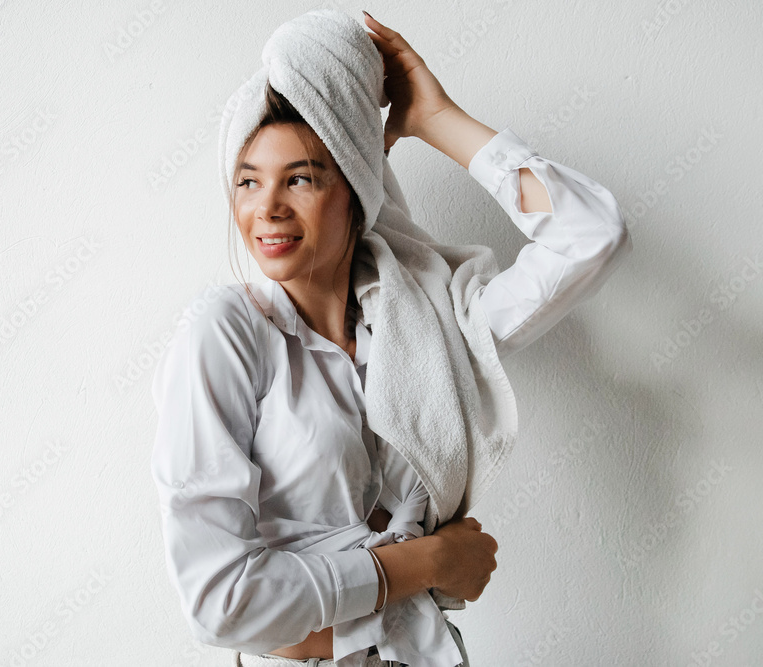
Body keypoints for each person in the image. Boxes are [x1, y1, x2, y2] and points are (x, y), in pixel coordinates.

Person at [150, 9, 631, 667]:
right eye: (247, 181)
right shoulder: (227, 334)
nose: (267, 208)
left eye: (300, 177)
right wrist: (427, 561)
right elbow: (221, 603)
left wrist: (437, 119)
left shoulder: (430, 324)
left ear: (356, 187)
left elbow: (592, 234)